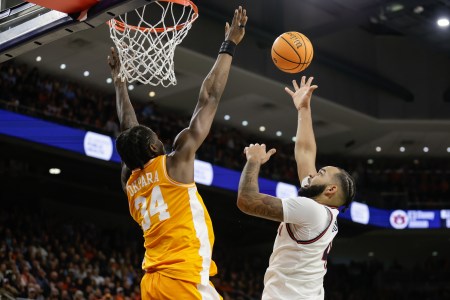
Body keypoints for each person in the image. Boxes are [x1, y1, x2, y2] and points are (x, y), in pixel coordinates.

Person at [107, 6, 248, 299]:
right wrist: (229, 45)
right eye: (157, 137)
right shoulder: (173, 165)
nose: (162, 140)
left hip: (154, 283)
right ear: (153, 147)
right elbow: (209, 96)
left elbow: (128, 127)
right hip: (181, 281)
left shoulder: (131, 184)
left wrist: (121, 81)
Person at [237, 76, 355, 300]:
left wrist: (253, 160)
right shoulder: (320, 210)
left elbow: (247, 201)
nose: (313, 173)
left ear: (329, 190)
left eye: (320, 173)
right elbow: (305, 153)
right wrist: (303, 109)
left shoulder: (312, 211)